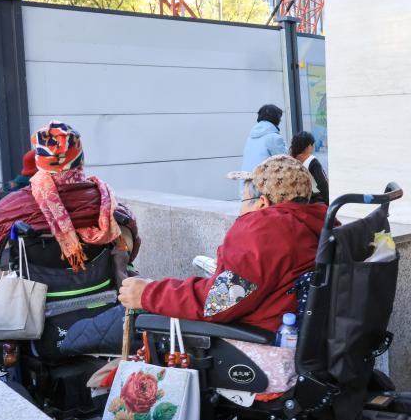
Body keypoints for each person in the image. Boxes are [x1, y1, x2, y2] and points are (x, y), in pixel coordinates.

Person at [118, 155, 325, 332]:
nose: (240, 211)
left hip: (255, 346)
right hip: (296, 336)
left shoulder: (265, 232)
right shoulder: (315, 225)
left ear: (262, 203)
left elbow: (218, 302)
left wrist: (148, 293)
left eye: (243, 201)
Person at [0, 121, 140, 286]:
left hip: (30, 312)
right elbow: (129, 249)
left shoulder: (7, 210)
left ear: (40, 163)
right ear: (80, 159)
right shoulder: (110, 206)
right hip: (100, 302)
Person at [240, 104, 288, 173]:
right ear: (276, 119)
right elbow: (286, 163)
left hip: (246, 182)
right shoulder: (274, 138)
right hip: (264, 182)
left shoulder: (250, 138)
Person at [289, 131, 329, 205]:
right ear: (308, 146)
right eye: (312, 145)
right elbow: (323, 185)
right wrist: (329, 204)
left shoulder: (291, 161)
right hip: (315, 201)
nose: (313, 147)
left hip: (297, 202)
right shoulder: (312, 161)